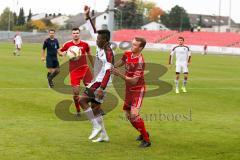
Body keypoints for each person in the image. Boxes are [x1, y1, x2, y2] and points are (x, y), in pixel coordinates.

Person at [78, 6, 114, 142]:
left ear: (105, 40)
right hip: (98, 80)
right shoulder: (100, 44)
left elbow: (109, 71)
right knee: (96, 108)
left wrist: (101, 88)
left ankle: (95, 127)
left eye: (98, 39)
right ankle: (104, 135)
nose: (96, 40)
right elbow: (92, 30)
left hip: (102, 82)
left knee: (82, 100)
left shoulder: (109, 53)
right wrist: (87, 16)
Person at [112, 37, 151, 148]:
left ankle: (147, 140)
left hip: (137, 89)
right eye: (132, 43)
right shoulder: (127, 54)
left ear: (141, 48)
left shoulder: (140, 61)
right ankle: (143, 133)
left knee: (134, 114)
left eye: (134, 45)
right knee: (128, 115)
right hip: (128, 89)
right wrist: (113, 66)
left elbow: (134, 81)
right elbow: (121, 61)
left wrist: (118, 73)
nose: (132, 46)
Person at [59, 27, 94, 115]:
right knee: (76, 93)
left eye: (77, 33)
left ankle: (93, 109)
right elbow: (59, 51)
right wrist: (63, 53)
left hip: (85, 69)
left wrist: (94, 66)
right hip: (74, 71)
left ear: (79, 34)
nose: (75, 34)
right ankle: (78, 109)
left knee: (92, 90)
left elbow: (89, 55)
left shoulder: (85, 44)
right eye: (74, 33)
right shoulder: (68, 44)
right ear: (72, 34)